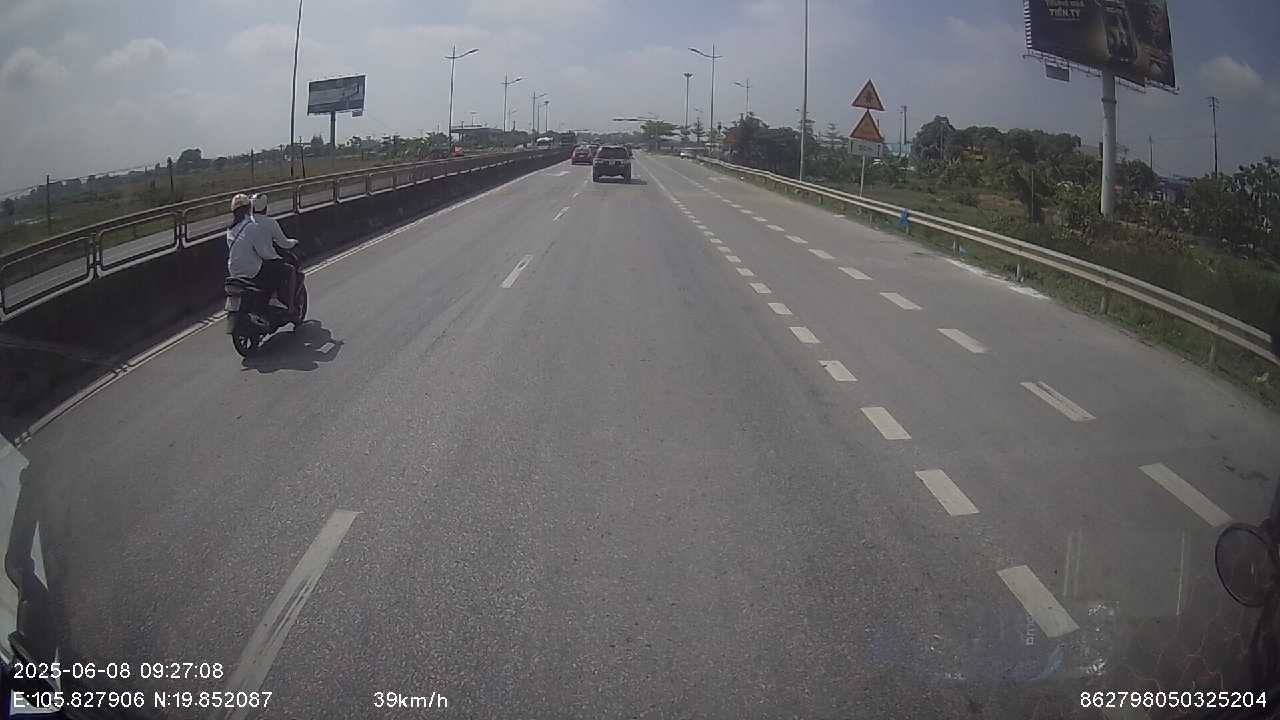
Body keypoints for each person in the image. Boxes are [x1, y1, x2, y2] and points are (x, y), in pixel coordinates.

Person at [225, 193, 295, 314]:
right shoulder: (252, 227)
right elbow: (265, 253)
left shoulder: (230, 230)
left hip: (233, 270)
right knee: (278, 268)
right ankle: (273, 298)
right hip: (251, 270)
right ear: (249, 208)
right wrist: (277, 258)